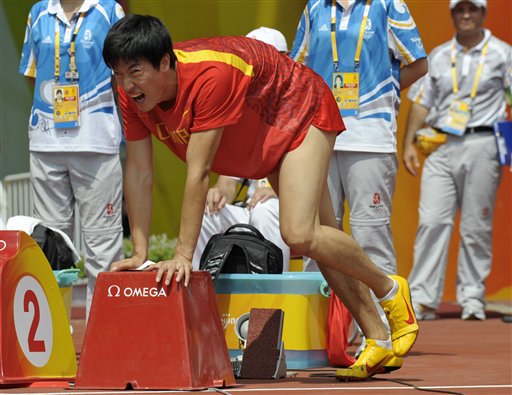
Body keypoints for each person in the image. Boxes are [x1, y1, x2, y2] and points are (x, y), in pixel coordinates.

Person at [103, 14, 419, 380]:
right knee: (323, 239)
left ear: (164, 62)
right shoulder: (132, 98)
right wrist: (139, 251)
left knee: (300, 233)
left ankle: (388, 287)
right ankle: (378, 337)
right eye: (117, 73)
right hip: (262, 140)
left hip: (299, 108)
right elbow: (140, 174)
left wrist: (182, 255)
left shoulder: (210, 75)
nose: (126, 84)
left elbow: (199, 172)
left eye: (135, 72)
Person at [290, 0, 427, 357]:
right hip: (318, 135)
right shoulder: (315, 8)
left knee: (369, 234)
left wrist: (384, 92)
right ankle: (317, 336)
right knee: (315, 236)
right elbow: (296, 68)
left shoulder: (387, 5)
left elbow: (419, 63)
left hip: (369, 135)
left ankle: (386, 333)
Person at [402, 0, 511, 321]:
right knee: (432, 221)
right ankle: (422, 298)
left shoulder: (503, 54)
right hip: (440, 144)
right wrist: (409, 142)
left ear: (483, 14)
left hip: (483, 142)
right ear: (453, 15)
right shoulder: (438, 56)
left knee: (477, 223)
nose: (466, 16)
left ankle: (473, 296)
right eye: (459, 10)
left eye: (472, 10)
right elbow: (422, 101)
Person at [19, 0, 125, 318]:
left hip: (97, 142)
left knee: (102, 246)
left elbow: (122, 75)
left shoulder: (109, 10)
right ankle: (55, 337)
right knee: (50, 245)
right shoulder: (38, 13)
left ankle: (105, 338)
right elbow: (32, 73)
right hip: (45, 143)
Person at [192, 27, 291, 270]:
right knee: (207, 211)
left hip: (286, 209)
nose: (259, 72)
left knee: (265, 211)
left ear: (286, 61)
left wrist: (279, 192)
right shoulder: (241, 114)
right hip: (248, 208)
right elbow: (227, 181)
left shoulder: (298, 109)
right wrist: (219, 192)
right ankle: (199, 298)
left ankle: (272, 301)